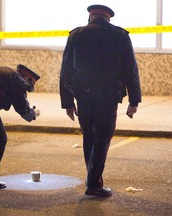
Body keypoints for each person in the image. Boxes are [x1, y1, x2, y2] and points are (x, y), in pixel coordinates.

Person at [60, 5, 141, 197]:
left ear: (90, 17)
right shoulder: (120, 35)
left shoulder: (76, 35)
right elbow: (131, 69)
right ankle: (94, 184)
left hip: (84, 95)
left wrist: (68, 102)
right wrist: (134, 100)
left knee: (89, 136)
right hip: (108, 95)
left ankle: (93, 180)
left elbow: (65, 71)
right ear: (108, 19)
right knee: (102, 138)